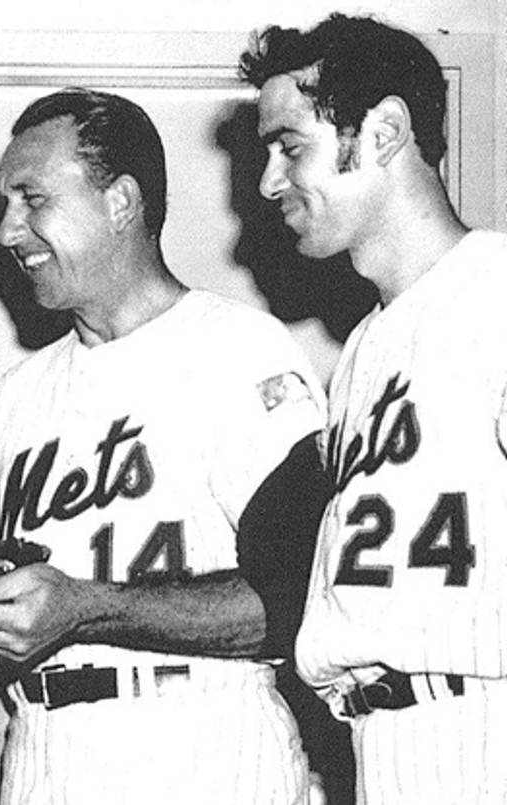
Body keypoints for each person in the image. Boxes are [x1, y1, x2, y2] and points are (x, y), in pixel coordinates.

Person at [0, 88, 331, 804]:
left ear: (121, 202)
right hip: (42, 756)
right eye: (6, 205)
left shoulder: (237, 349)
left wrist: (86, 606)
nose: (9, 231)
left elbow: (298, 594)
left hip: (204, 744)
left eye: (31, 198)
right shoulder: (16, 396)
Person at [241, 14, 507, 804]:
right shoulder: (362, 350)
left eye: (291, 147)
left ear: (385, 131)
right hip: (381, 746)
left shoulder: (496, 295)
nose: (268, 181)